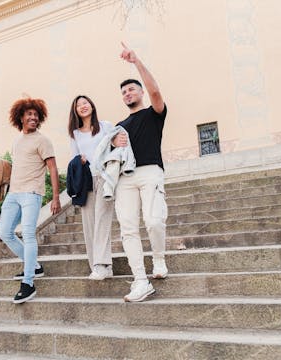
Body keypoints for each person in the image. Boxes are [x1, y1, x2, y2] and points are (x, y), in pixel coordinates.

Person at [112, 42, 169, 302]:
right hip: (125, 178)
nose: (127, 93)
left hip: (150, 173)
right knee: (128, 229)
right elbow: (108, 152)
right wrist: (114, 143)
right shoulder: (119, 126)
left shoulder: (153, 113)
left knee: (154, 220)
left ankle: (158, 259)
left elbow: (156, 89)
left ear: (141, 92)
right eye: (123, 92)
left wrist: (136, 61)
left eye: (131, 89)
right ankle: (140, 280)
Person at [0, 97, 61, 304]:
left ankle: (28, 283)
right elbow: (18, 165)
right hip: (14, 193)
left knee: (28, 234)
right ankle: (34, 265)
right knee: (5, 232)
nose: (33, 117)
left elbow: (52, 168)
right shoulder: (17, 141)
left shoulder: (42, 141)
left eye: (36, 115)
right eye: (29, 114)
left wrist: (55, 197)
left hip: (32, 194)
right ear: (21, 117)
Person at [68, 95, 115, 280]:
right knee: (89, 224)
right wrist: (80, 160)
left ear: (92, 105)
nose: (83, 106)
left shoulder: (105, 126)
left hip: (104, 177)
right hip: (86, 180)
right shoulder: (75, 134)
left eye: (85, 102)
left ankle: (100, 264)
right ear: (75, 111)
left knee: (102, 220)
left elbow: (116, 147)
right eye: (79, 105)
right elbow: (74, 158)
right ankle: (101, 266)